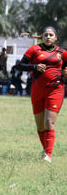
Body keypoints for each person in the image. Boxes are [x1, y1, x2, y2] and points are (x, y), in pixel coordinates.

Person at [18, 26, 67, 163]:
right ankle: (46, 149)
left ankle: (48, 155)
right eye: (46, 35)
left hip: (55, 90)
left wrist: (65, 73)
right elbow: (20, 66)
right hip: (37, 90)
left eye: (51, 35)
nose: (48, 37)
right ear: (42, 36)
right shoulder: (34, 50)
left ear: (56, 37)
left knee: (49, 122)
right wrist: (34, 67)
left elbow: (66, 68)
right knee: (40, 126)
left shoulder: (62, 53)